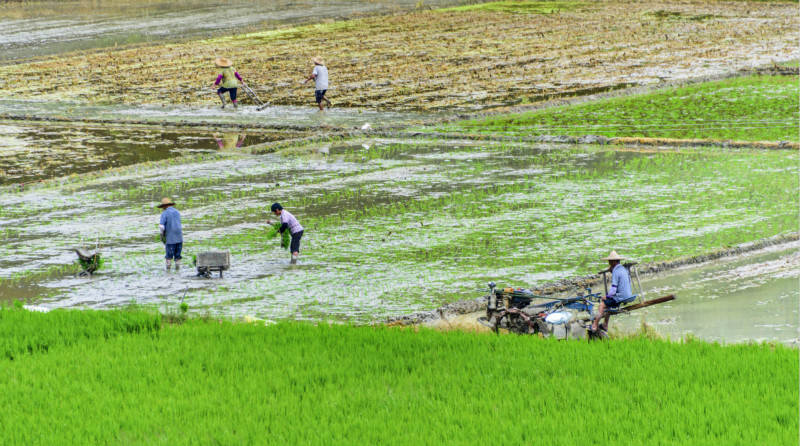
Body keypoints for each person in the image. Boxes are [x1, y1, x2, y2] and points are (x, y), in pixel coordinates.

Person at [591, 250, 633, 333]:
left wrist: (606, 296)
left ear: (614, 262)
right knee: (609, 303)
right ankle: (605, 324)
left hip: (621, 297)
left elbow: (613, 290)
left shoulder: (616, 272)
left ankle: (595, 325)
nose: (609, 263)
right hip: (628, 295)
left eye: (610, 261)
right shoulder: (623, 269)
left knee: (602, 304)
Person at [157, 197, 183, 271]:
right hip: (179, 237)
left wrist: (162, 236)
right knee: (178, 257)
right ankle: (178, 269)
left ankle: (168, 271)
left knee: (168, 257)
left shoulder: (164, 213)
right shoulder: (177, 212)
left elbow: (162, 226)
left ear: (164, 206)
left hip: (170, 238)